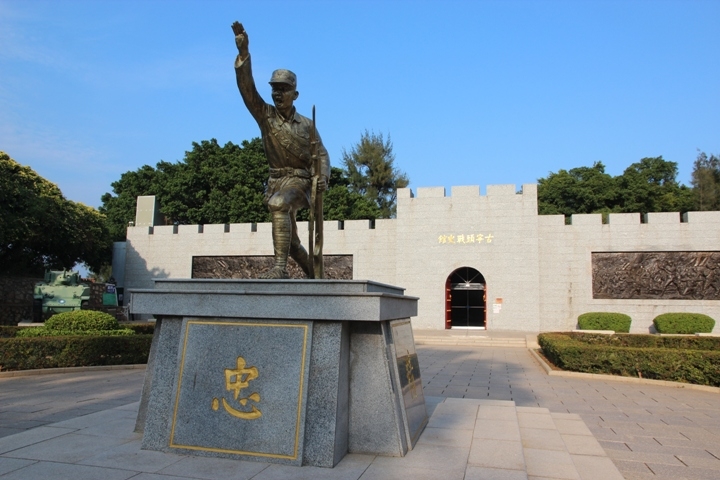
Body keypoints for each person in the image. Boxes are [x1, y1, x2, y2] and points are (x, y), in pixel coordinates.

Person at [232, 22, 330, 279]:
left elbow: (321, 155)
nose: (278, 93)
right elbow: (247, 90)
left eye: (284, 89)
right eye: (275, 88)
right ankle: (317, 277)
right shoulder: (265, 116)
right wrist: (244, 55)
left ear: (295, 94)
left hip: (300, 182)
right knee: (295, 244)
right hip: (276, 180)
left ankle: (279, 269)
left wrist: (324, 178)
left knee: (278, 205)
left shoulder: (307, 126)